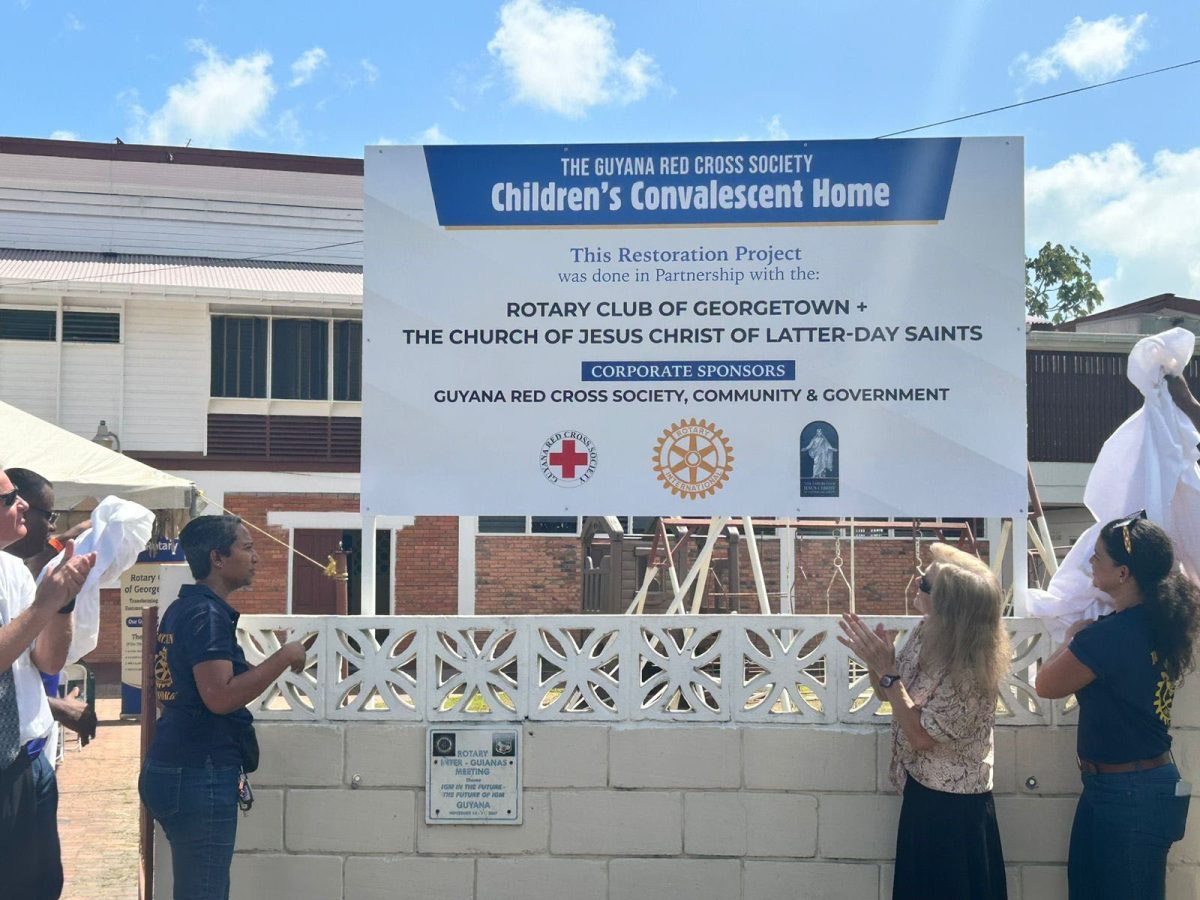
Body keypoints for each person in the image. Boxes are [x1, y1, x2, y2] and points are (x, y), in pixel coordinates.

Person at [139, 515, 306, 899]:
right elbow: (220, 697)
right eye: (246, 547)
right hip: (199, 773)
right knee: (205, 891)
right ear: (217, 557)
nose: (256, 557)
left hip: (176, 766)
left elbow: (204, 678)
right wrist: (283, 656)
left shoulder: (185, 609)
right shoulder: (206, 614)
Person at [1035, 514, 1198, 899]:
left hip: (1127, 793)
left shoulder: (1109, 636)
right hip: (1132, 785)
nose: (1091, 562)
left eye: (1098, 557)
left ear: (1123, 573)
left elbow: (1045, 685)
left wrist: (1072, 637)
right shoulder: (1155, 622)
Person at [839, 541, 1010, 900]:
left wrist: (886, 671)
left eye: (926, 584)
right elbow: (891, 694)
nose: (917, 585)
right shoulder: (926, 631)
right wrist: (878, 663)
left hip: (955, 810)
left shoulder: (970, 670)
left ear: (951, 606)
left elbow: (919, 735)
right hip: (923, 792)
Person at [0, 466, 95, 898]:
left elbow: (46, 659)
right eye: (9, 499)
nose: (21, 505)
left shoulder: (12, 570)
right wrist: (45, 603)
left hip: (31, 761)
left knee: (39, 888)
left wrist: (64, 600)